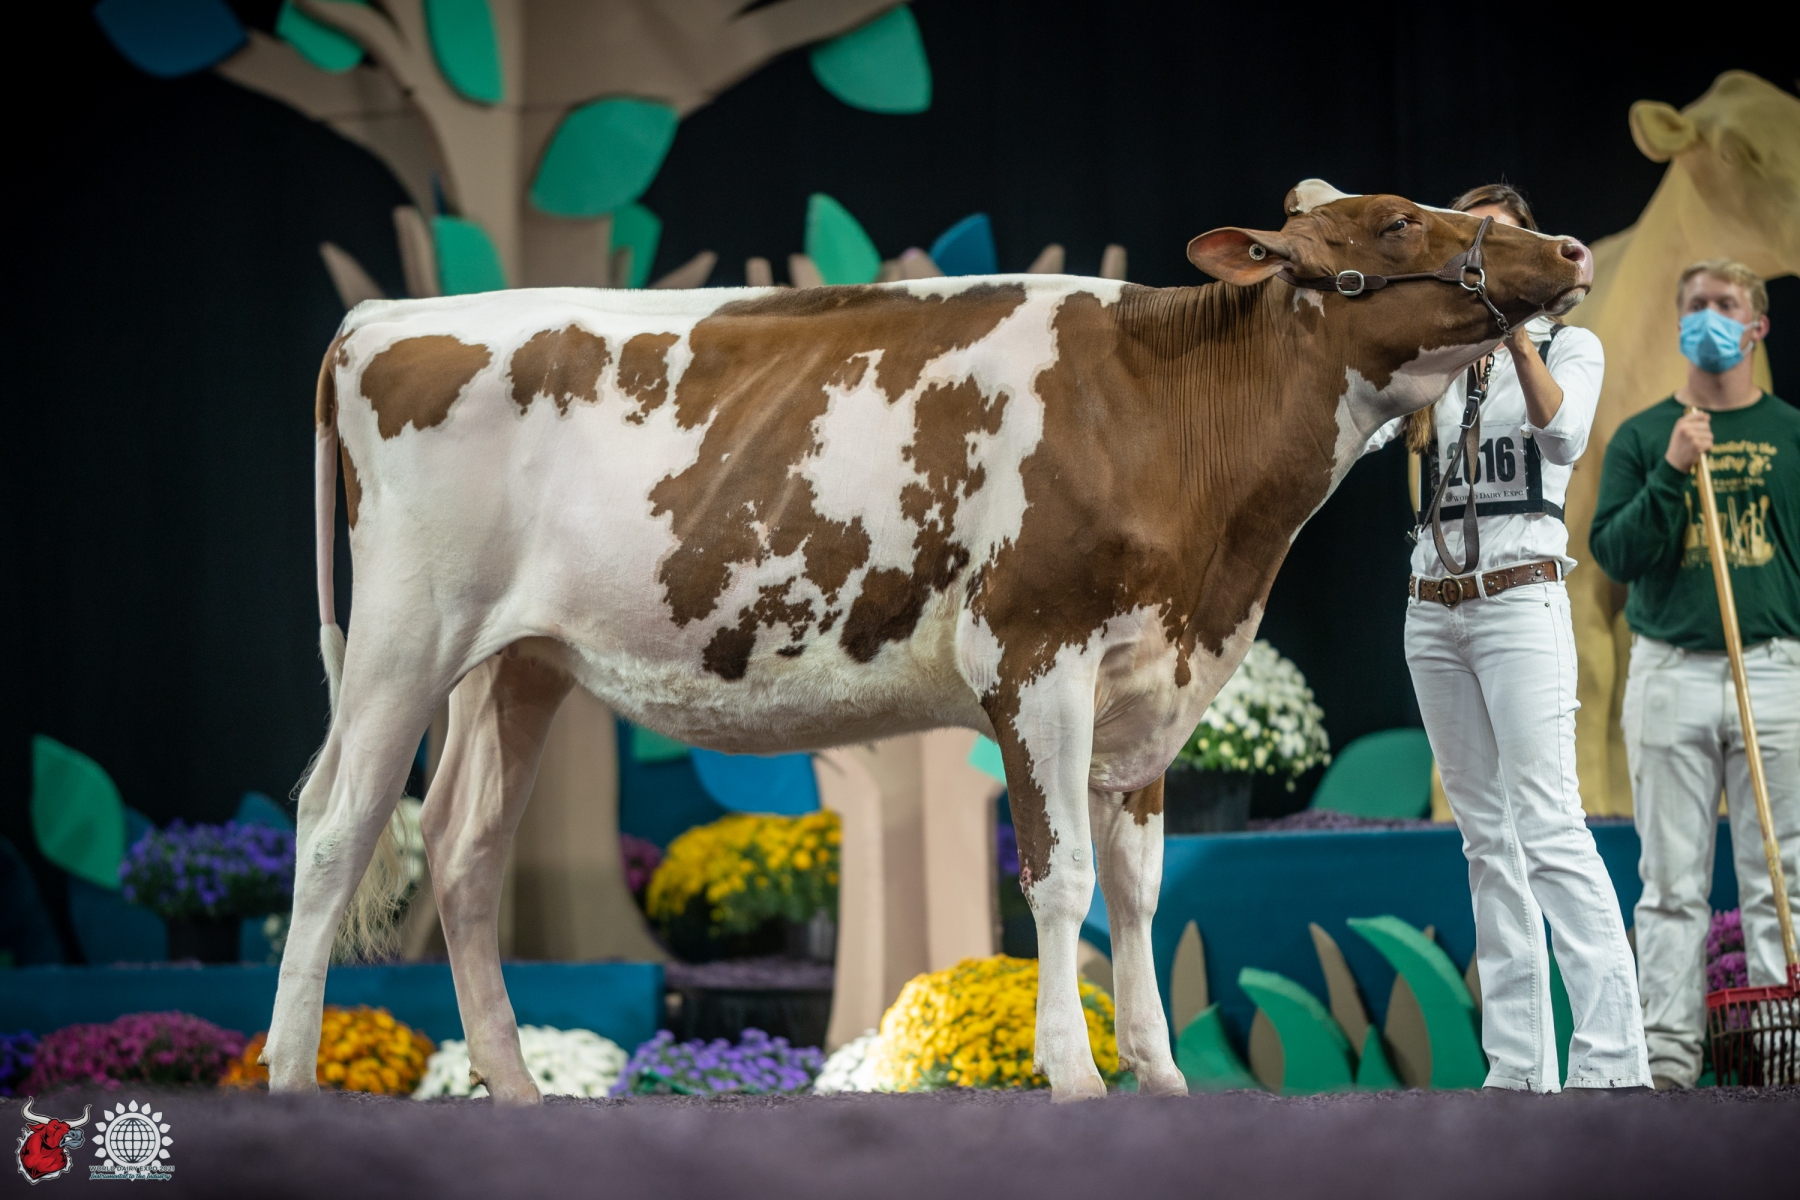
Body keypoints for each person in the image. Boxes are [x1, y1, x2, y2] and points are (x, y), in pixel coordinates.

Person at [1367, 183, 1651, 1092]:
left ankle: (1613, 1060)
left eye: (1500, 237)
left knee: (1551, 825)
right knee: (1484, 839)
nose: (1482, 250)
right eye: (1471, 237)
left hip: (1521, 597)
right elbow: (1359, 428)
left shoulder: (1571, 344)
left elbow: (1563, 438)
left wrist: (1514, 331)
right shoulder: (1433, 361)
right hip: (1433, 605)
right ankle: (1520, 1067)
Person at [1590, 259, 1800, 1090]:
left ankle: (1786, 1055)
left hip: (1773, 671)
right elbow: (1616, 555)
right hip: (1670, 672)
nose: (1708, 316)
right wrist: (1674, 467)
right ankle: (1669, 1062)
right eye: (1696, 305)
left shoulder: (1790, 432)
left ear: (1757, 327)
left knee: (1781, 873)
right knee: (1671, 884)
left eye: (1726, 305)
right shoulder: (1645, 436)